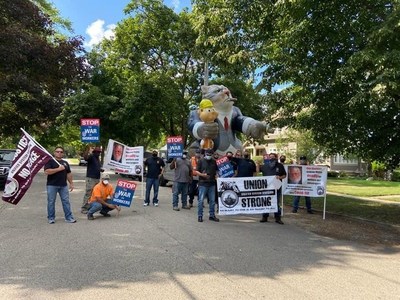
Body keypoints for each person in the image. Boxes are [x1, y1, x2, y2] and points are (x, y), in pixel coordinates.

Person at [44, 146, 76, 224]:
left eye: (61, 152)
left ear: (63, 153)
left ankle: (68, 217)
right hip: (52, 185)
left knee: (66, 202)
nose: (59, 153)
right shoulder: (50, 161)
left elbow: (69, 173)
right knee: (51, 202)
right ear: (54, 153)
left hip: (63, 185)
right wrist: (58, 169)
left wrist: (71, 183)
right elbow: (47, 171)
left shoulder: (65, 163)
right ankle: (51, 218)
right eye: (57, 151)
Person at [257, 153, 286, 224]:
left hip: (276, 186)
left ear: (276, 158)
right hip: (267, 187)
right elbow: (258, 171)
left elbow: (284, 175)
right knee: (266, 201)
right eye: (270, 157)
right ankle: (265, 217)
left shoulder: (280, 165)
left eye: (273, 157)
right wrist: (257, 164)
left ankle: (277, 218)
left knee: (276, 202)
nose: (271, 158)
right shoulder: (265, 166)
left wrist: (279, 177)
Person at [196, 148, 219, 222]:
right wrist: (202, 175)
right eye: (207, 154)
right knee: (201, 200)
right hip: (203, 183)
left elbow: (216, 171)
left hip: (212, 183)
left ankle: (212, 215)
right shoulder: (201, 161)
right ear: (205, 154)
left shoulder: (214, 162)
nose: (208, 156)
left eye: (210, 154)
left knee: (212, 201)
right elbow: (196, 171)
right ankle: (200, 216)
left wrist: (217, 176)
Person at [81, 146, 103, 214]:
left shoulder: (97, 158)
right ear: (94, 152)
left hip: (97, 178)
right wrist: (88, 149)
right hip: (91, 178)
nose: (98, 153)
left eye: (99, 152)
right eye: (96, 152)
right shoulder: (91, 156)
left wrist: (100, 169)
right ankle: (84, 208)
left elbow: (97, 167)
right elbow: (85, 158)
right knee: (88, 193)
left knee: (95, 193)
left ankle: (91, 206)